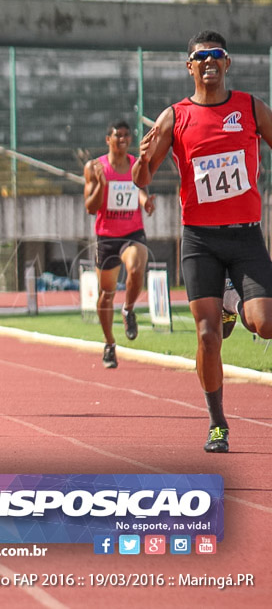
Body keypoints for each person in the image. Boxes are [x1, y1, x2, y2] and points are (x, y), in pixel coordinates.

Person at [133, 29, 272, 453]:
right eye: (201, 56)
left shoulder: (250, 107)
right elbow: (142, 177)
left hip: (246, 237)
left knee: (265, 325)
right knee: (208, 337)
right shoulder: (174, 117)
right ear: (189, 66)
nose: (209, 61)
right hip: (199, 242)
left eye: (217, 55)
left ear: (227, 63)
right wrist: (142, 161)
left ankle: (235, 303)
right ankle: (217, 424)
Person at [83, 119, 156, 369]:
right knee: (106, 295)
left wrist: (145, 201)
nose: (123, 139)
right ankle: (110, 343)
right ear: (108, 140)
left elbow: (139, 189)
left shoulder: (136, 164)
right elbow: (90, 207)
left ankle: (128, 309)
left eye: (126, 135)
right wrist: (103, 186)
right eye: (118, 135)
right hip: (106, 237)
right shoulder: (95, 167)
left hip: (132, 233)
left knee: (136, 267)